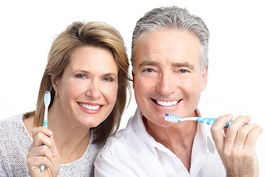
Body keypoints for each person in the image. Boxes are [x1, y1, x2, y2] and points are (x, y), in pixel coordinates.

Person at [94, 6, 263, 177]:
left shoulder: (242, 143)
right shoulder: (115, 161)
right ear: (134, 77)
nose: (165, 88)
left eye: (182, 70)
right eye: (150, 70)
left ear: (203, 76)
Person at [0, 21, 130, 176]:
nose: (95, 93)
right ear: (56, 81)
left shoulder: (112, 158)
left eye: (107, 79)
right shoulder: (5, 143)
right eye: (81, 76)